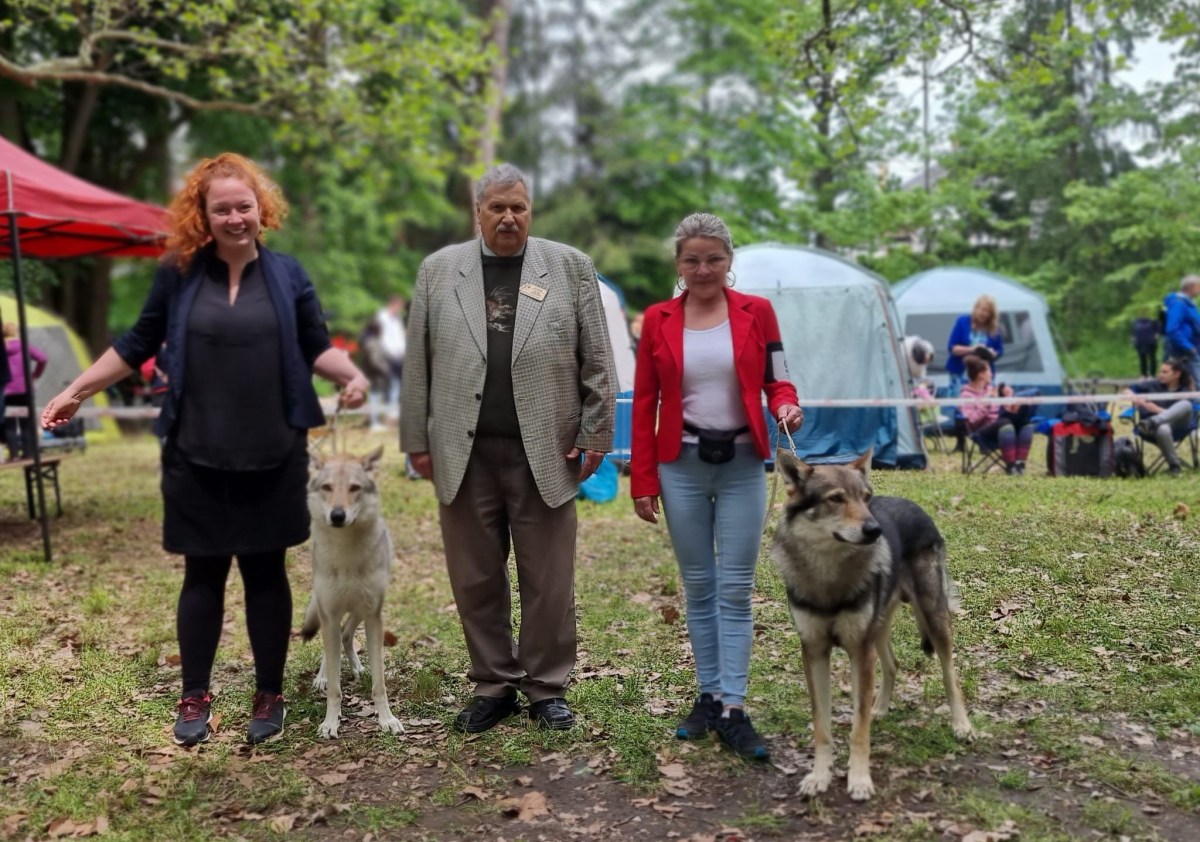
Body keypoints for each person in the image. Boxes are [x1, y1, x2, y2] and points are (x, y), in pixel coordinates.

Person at [40, 153, 371, 747]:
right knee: (203, 574)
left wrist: (351, 375)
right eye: (222, 208)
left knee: (267, 572)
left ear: (260, 209)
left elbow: (317, 344)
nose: (235, 217)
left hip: (274, 450)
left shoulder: (289, 275)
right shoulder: (178, 273)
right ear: (204, 213)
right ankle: (195, 695)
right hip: (196, 452)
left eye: (244, 206)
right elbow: (137, 342)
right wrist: (74, 391)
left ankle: (269, 693)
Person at [400, 163, 616, 733]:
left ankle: (547, 688)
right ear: (478, 212)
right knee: (475, 577)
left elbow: (599, 358)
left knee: (550, 578)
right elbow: (416, 365)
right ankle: (493, 684)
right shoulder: (439, 271)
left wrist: (597, 431)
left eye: (518, 207)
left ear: (531, 210)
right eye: (497, 207)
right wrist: (414, 440)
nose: (508, 217)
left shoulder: (570, 267)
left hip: (546, 448)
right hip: (462, 451)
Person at [630, 213, 802, 761]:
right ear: (678, 265)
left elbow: (778, 376)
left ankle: (734, 706)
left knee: (735, 587)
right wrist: (643, 478)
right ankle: (707, 695)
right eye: (691, 259)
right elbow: (646, 403)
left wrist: (785, 405)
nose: (703, 269)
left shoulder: (758, 312)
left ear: (729, 260)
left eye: (714, 258)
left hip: (743, 463)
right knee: (698, 585)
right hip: (680, 464)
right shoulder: (657, 319)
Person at [959, 354, 1033, 475]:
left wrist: (1010, 401)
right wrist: (987, 402)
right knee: (1005, 423)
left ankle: (1020, 463)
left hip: (1000, 426)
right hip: (981, 431)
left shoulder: (991, 390)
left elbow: (1001, 411)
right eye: (989, 371)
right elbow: (972, 420)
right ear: (980, 374)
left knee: (1026, 422)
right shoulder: (966, 395)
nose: (991, 374)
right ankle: (1011, 466)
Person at [1123, 359, 1196, 476]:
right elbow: (1127, 389)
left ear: (1177, 374)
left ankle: (1153, 421)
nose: (1160, 375)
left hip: (1178, 426)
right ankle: (1174, 466)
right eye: (1160, 371)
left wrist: (1156, 410)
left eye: (1165, 372)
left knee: (1186, 404)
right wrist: (1135, 398)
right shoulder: (1153, 384)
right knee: (1163, 428)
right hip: (1153, 429)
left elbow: (1182, 412)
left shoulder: (1185, 390)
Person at [4, 322, 48, 461]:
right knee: (26, 422)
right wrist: (35, 374)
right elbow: (42, 358)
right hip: (25, 390)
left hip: (6, 391)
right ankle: (28, 453)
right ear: (15, 332)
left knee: (9, 423)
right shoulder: (24, 346)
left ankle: (14, 454)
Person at [945, 295, 1004, 396]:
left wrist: (992, 353)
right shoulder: (962, 321)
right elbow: (952, 347)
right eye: (983, 310)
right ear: (976, 308)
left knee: (985, 405)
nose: (985, 314)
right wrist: (973, 349)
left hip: (983, 376)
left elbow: (999, 350)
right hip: (960, 373)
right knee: (960, 405)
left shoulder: (994, 328)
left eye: (988, 312)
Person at [1161, 276, 1200, 389]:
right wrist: (1189, 347)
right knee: (1196, 380)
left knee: (1189, 380)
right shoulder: (1178, 304)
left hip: (1193, 347)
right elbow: (1172, 329)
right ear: (1191, 287)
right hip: (1185, 350)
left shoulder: (1189, 304)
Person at [376, 294, 406, 422]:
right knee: (388, 385)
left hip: (399, 356)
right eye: (399, 306)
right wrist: (394, 353)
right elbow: (383, 339)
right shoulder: (382, 317)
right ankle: (388, 413)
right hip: (387, 356)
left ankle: (393, 413)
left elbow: (399, 337)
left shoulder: (397, 318)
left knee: (396, 384)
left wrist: (403, 351)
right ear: (393, 304)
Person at [358, 317, 391, 432]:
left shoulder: (368, 341)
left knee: (375, 398)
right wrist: (386, 370)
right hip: (375, 376)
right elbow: (375, 361)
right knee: (374, 399)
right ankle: (374, 423)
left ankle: (376, 421)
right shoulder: (372, 343)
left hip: (373, 375)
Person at [1131, 310, 1160, 379]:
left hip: (1150, 342)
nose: (1144, 314)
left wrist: (1155, 338)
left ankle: (1152, 374)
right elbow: (1133, 332)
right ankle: (1143, 374)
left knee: (1152, 358)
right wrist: (1133, 340)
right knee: (1142, 359)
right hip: (1140, 343)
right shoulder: (1136, 322)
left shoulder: (1153, 321)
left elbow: (1157, 331)